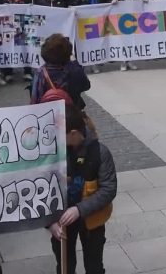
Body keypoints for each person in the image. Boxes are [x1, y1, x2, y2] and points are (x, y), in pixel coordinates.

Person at [48, 103, 117, 274]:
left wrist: (79, 210)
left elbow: (108, 189)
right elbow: (44, 188)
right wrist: (49, 222)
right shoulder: (55, 153)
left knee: (94, 266)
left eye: (61, 135)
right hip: (62, 221)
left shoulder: (100, 152)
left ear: (73, 133)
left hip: (92, 221)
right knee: (65, 266)